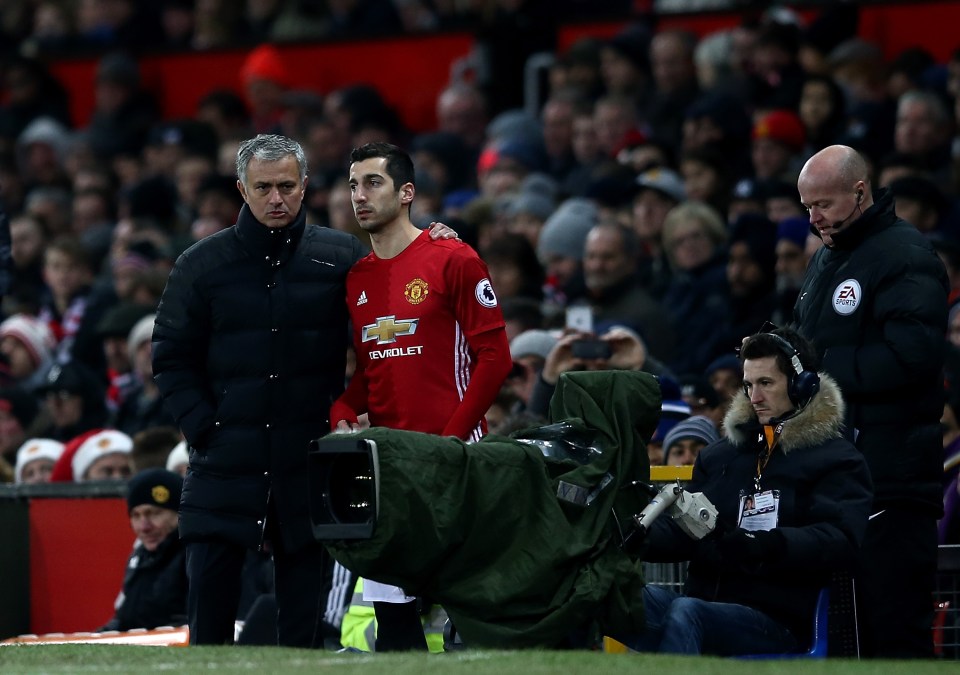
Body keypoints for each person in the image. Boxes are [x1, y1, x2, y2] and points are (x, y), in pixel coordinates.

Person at [151, 133, 455, 648]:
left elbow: (390, 308)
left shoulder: (340, 256)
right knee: (208, 635)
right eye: (264, 187)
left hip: (310, 462)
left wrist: (435, 244)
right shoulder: (200, 265)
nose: (277, 199)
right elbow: (170, 356)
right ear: (242, 190)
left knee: (303, 636)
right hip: (223, 462)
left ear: (305, 186)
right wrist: (204, 427)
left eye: (287, 186)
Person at [330, 142, 512, 651]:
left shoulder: (453, 257)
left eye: (372, 183)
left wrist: (451, 444)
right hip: (388, 470)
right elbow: (373, 371)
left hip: (455, 461)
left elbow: (495, 359)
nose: (358, 196)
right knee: (396, 631)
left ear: (407, 192)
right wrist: (343, 408)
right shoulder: (357, 278)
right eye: (352, 185)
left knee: (468, 621)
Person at [618, 328, 872, 655]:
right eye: (749, 385)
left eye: (766, 383)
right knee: (614, 593)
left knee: (686, 613)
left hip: (776, 619)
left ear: (802, 385)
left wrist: (762, 545)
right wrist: (640, 535)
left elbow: (838, 538)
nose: (754, 398)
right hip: (704, 604)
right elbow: (686, 532)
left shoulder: (836, 458)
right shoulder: (719, 455)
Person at [794, 144, 949, 658]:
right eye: (807, 207)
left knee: (893, 632)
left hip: (892, 480)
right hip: (844, 477)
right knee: (844, 636)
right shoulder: (827, 258)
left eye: (824, 205)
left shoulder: (906, 255)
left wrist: (816, 371)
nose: (814, 218)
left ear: (860, 191)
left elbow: (913, 357)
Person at [99, 468, 188, 632]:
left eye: (153, 513)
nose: (144, 527)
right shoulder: (139, 557)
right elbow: (125, 618)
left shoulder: (194, 557)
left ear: (179, 514)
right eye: (136, 515)